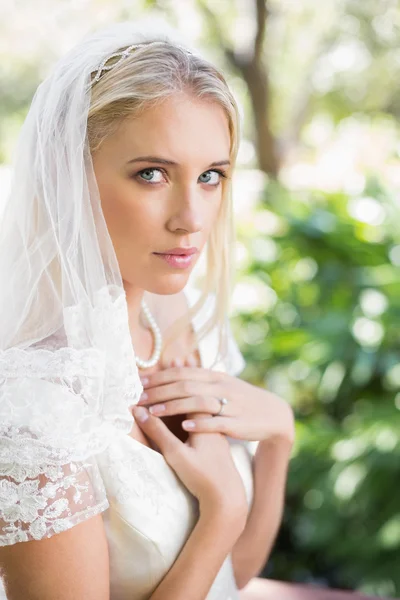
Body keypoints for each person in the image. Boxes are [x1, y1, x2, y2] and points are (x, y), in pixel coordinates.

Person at [0, 17, 295, 600]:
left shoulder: (176, 325)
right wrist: (220, 515)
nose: (192, 217)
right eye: (152, 174)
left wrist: (280, 437)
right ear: (70, 178)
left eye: (211, 176)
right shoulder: (34, 408)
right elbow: (221, 541)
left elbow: (236, 575)